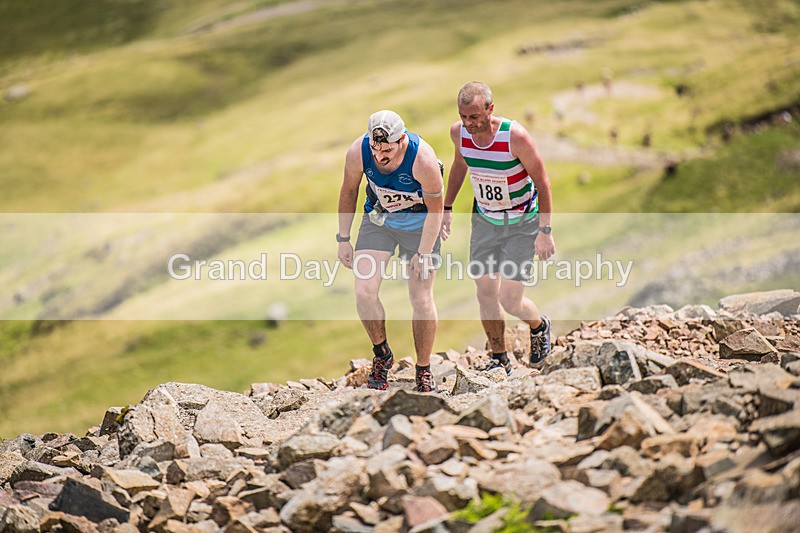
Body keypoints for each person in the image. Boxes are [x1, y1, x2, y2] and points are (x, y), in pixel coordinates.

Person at [441, 82, 555, 373]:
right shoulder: (459, 133)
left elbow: (542, 183)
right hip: (485, 222)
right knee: (485, 291)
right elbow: (459, 165)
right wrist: (446, 207)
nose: (469, 123)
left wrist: (545, 231)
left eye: (475, 117)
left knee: (510, 300)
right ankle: (498, 357)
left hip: (522, 223)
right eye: (463, 117)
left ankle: (539, 326)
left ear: (490, 109)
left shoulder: (515, 137)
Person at [338, 110, 444, 392]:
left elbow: (436, 211)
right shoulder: (359, 151)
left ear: (402, 140)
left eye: (387, 150)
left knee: (420, 297)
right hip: (380, 221)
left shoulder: (423, 159)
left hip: (420, 225)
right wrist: (343, 238)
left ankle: (423, 368)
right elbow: (349, 191)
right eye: (376, 149)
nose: (380, 156)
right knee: (364, 291)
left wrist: (423, 253)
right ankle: (382, 354)